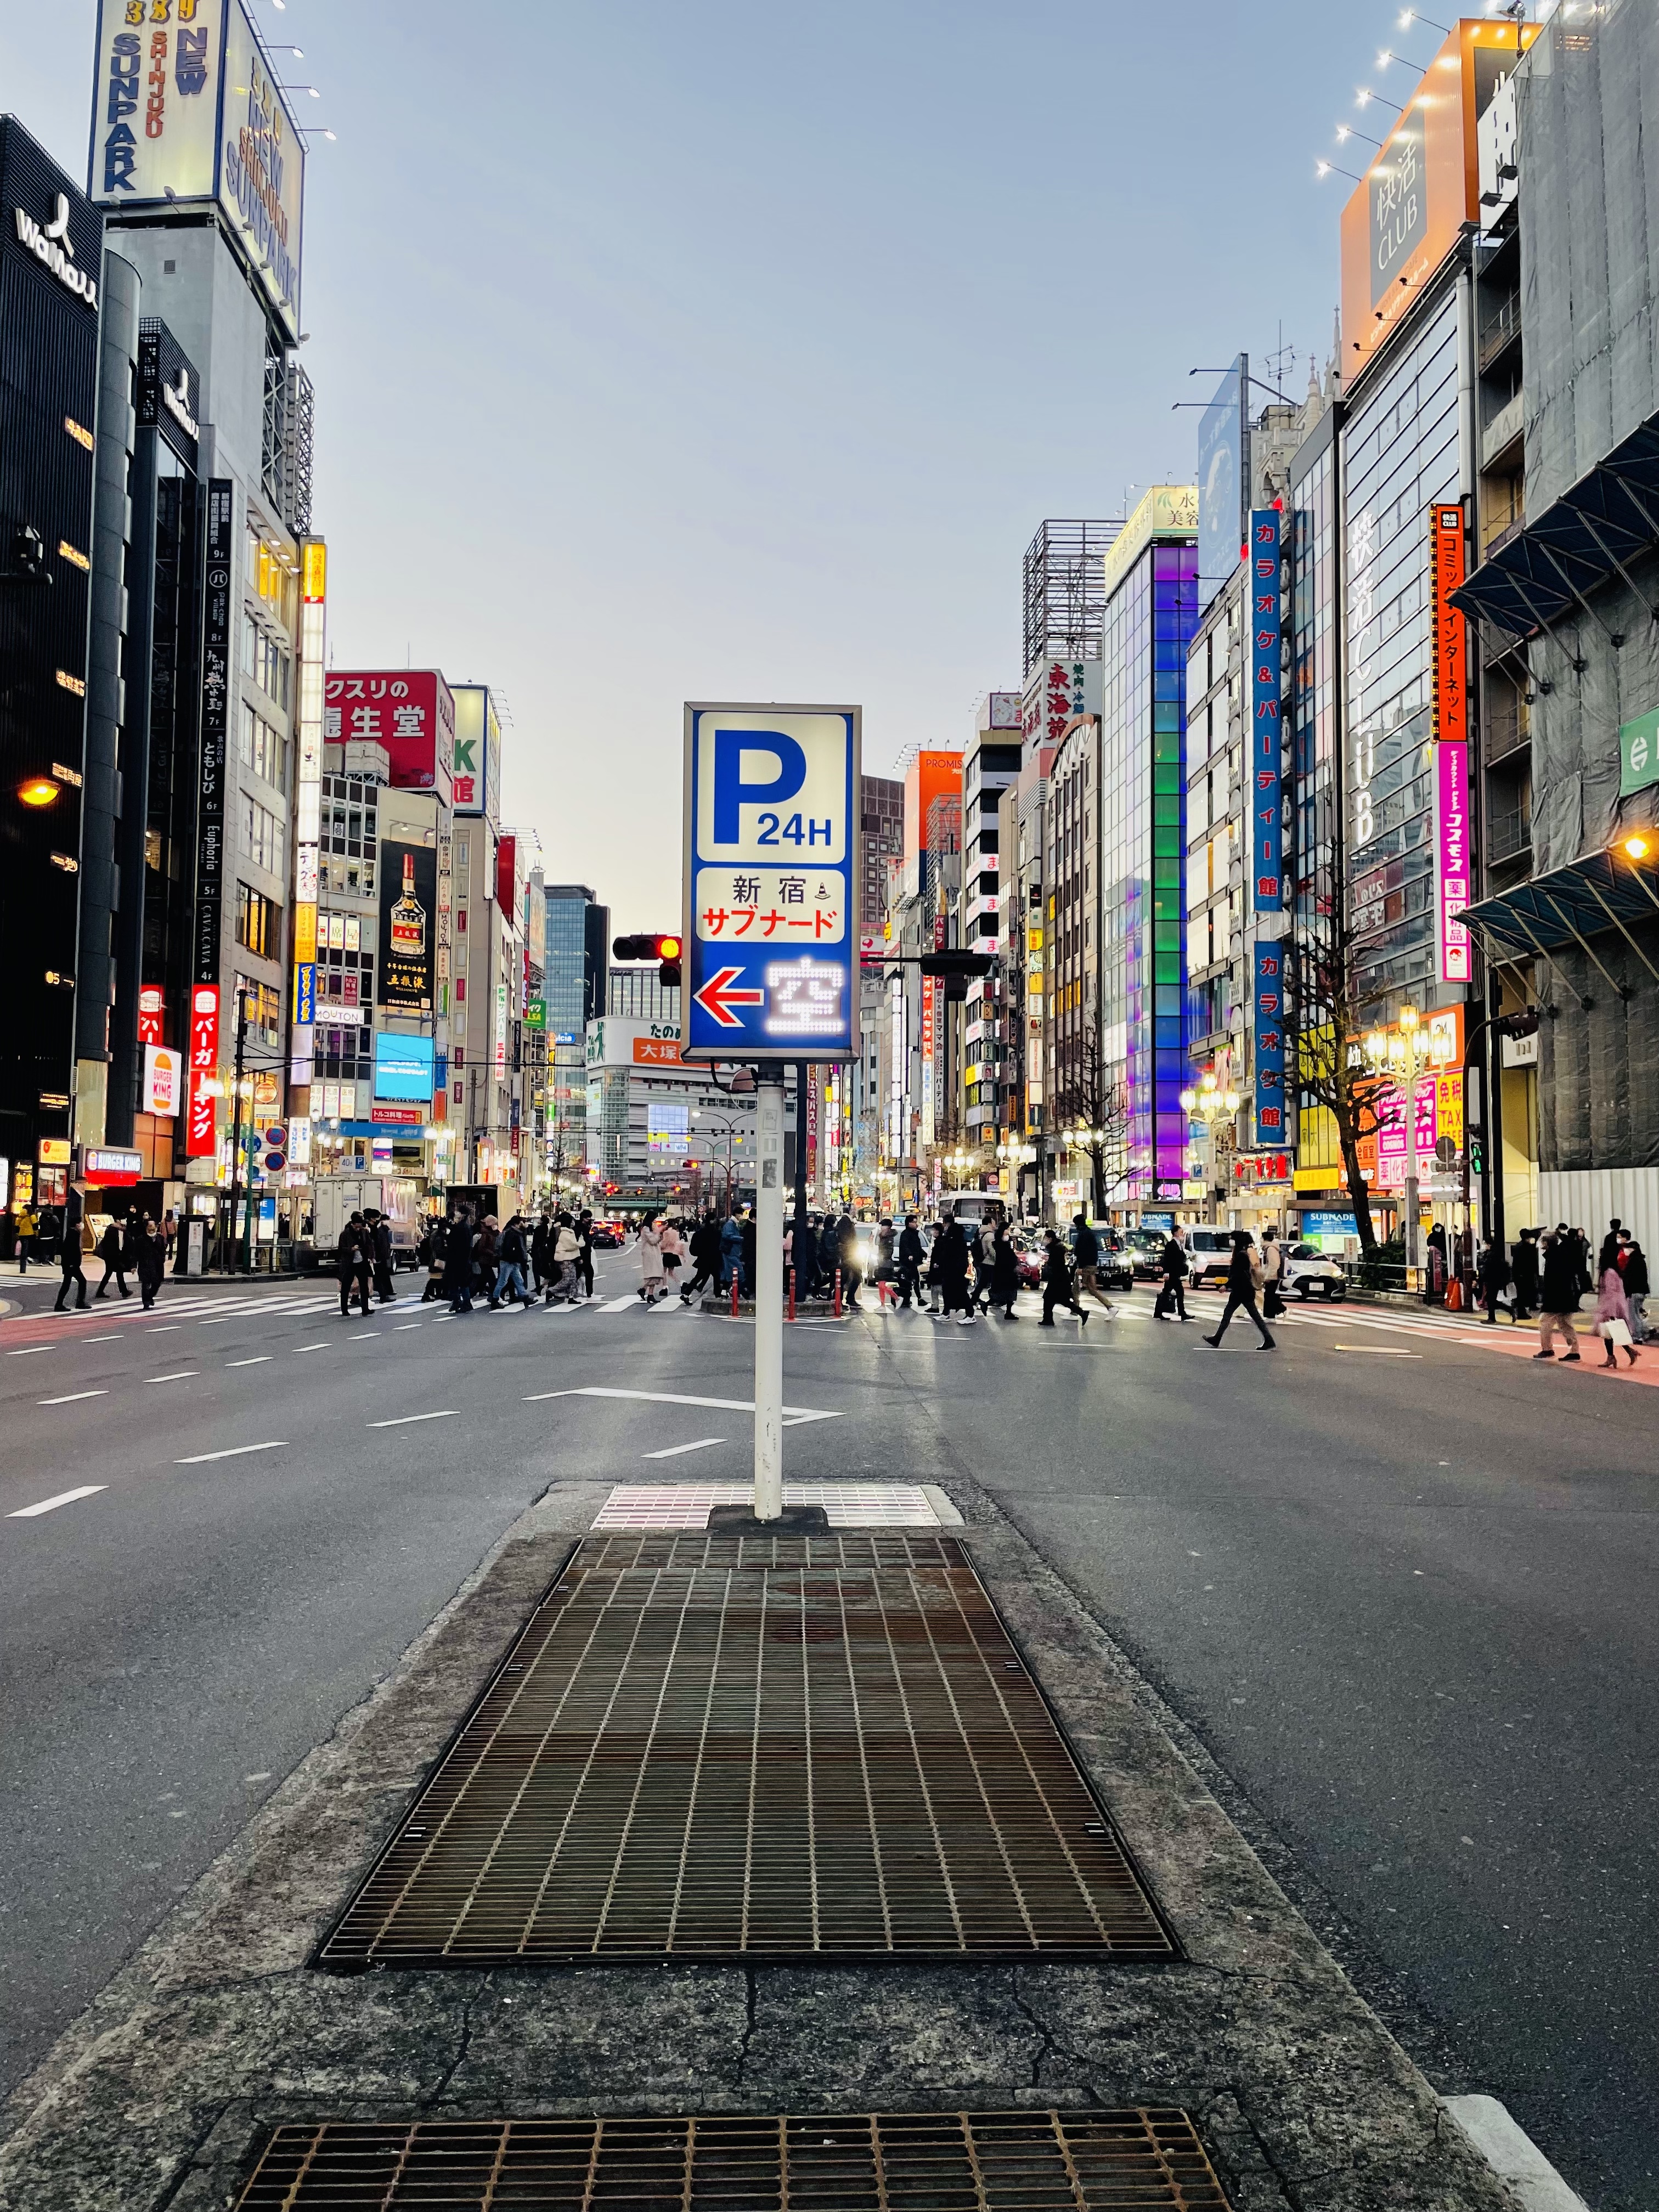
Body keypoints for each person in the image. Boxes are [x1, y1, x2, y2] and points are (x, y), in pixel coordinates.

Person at [1203, 1229, 1276, 1351]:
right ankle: (1217, 1338)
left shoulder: (1242, 1255)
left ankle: (1269, 1340)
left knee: (1247, 1315)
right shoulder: (1241, 1253)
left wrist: (1226, 1285)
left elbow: (1238, 1274)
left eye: (1232, 1238)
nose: (1230, 1241)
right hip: (1243, 1289)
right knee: (1234, 1314)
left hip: (1242, 1290)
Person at [1534, 1228, 1583, 1361]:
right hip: (1565, 1297)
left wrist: (1547, 1297)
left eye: (1542, 1241)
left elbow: (1553, 1280)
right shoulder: (1561, 1254)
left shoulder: (1553, 1257)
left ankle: (1547, 1349)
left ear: (1547, 1243)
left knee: (1545, 1322)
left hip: (1555, 1298)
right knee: (1565, 1324)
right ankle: (1574, 1352)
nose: (1540, 1244)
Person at [1593, 1246, 1640, 1368]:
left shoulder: (1609, 1272)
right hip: (1613, 1306)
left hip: (1611, 1307)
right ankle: (1621, 1354)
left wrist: (1609, 1312)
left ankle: (1614, 1357)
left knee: (1610, 1333)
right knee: (1611, 1333)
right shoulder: (1613, 1271)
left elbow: (1611, 1293)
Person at [1070, 1211, 1116, 1318]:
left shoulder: (1085, 1234)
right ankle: (1110, 1307)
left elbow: (1084, 1252)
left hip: (1086, 1266)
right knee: (1091, 1289)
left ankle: (1075, 1312)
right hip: (1091, 1265)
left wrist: (1080, 1267)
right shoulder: (1088, 1233)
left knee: (1077, 1289)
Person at [1039, 1228, 1086, 1328]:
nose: (1044, 1240)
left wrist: (1048, 1265)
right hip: (1060, 1277)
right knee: (1060, 1299)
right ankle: (1081, 1313)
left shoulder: (1056, 1248)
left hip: (1058, 1278)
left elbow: (1056, 1264)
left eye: (1046, 1238)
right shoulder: (1057, 1247)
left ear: (1050, 1238)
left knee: (1049, 1298)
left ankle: (1048, 1319)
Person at [54, 1181, 89, 1312]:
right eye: (80, 1223)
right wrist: (71, 1263)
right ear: (77, 1224)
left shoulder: (72, 1233)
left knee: (67, 1284)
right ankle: (79, 1302)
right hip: (71, 1264)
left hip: (70, 1264)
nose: (82, 1225)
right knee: (81, 1281)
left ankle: (60, 1304)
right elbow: (70, 1250)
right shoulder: (73, 1234)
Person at [492, 1214, 534, 1308]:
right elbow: (509, 1249)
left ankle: (525, 1298)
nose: (523, 1224)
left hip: (512, 1262)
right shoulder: (512, 1234)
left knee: (519, 1280)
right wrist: (517, 1258)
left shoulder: (515, 1232)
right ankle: (494, 1300)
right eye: (521, 1223)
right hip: (508, 1262)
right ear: (516, 1224)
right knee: (502, 1281)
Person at [337, 1211, 373, 1319]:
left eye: (360, 1226)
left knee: (364, 1286)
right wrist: (351, 1249)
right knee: (346, 1286)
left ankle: (365, 1309)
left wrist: (371, 1257)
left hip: (362, 1262)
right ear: (353, 1223)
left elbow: (369, 1244)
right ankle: (344, 1310)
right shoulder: (345, 1234)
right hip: (349, 1263)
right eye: (357, 1226)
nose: (359, 1228)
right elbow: (340, 1249)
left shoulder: (364, 1232)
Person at [682, 1211, 721, 1304]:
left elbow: (694, 1249)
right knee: (717, 1277)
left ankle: (686, 1294)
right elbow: (720, 1246)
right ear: (712, 1221)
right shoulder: (717, 1233)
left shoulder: (700, 1233)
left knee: (698, 1277)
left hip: (703, 1259)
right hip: (714, 1259)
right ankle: (718, 1295)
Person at [1153, 1226, 1189, 1321]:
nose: (1183, 1234)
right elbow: (1168, 1260)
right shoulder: (1171, 1244)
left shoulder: (1179, 1244)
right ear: (1176, 1233)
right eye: (1181, 1232)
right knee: (1179, 1292)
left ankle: (1158, 1312)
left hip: (1176, 1273)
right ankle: (1182, 1313)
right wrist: (1166, 1272)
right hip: (1172, 1273)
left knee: (1166, 1292)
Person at [988, 1217, 1020, 1320]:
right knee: (1007, 1293)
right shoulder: (999, 1244)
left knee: (1004, 1293)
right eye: (1007, 1230)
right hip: (1006, 1272)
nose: (1008, 1232)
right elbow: (1006, 1257)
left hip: (1004, 1271)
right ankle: (1008, 1313)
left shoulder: (1004, 1243)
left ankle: (1008, 1312)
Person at [93, 1212, 131, 1299]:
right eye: (123, 1219)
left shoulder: (123, 1230)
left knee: (113, 1273)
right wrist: (115, 1254)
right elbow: (109, 1245)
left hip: (118, 1255)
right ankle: (124, 1292)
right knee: (115, 1273)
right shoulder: (111, 1230)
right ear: (118, 1220)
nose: (124, 1221)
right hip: (111, 1256)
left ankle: (101, 1291)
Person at [1620, 1233, 1649, 1344]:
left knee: (1634, 1315)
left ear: (1632, 1249)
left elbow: (1630, 1278)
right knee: (1637, 1314)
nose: (1626, 1251)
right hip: (1641, 1291)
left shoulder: (1633, 1261)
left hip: (1634, 1291)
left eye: (1627, 1249)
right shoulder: (1641, 1260)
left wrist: (1627, 1291)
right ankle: (1642, 1334)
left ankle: (1638, 1336)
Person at [134, 1214, 166, 1311]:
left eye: (153, 1226)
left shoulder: (160, 1238)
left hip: (158, 1265)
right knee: (146, 1284)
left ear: (156, 1227)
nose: (151, 1229)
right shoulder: (141, 1240)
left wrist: (163, 1258)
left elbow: (162, 1250)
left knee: (157, 1283)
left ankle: (150, 1297)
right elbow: (136, 1253)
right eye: (149, 1227)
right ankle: (146, 1303)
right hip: (145, 1265)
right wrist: (133, 1265)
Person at [1477, 1235, 1512, 1325]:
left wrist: (1483, 1278)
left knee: (1490, 1299)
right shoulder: (1493, 1253)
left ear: (1487, 1244)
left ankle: (1496, 1316)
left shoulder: (1491, 1255)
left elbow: (1489, 1269)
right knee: (1490, 1299)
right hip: (1494, 1280)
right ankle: (1494, 1316)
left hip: (1492, 1280)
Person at [448, 1207, 476, 1313]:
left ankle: (462, 1302)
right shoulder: (466, 1227)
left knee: (457, 1282)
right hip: (464, 1259)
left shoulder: (460, 1228)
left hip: (457, 1259)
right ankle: (461, 1302)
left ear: (463, 1215)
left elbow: (453, 1244)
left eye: (458, 1212)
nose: (456, 1213)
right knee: (462, 1282)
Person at [550, 1211, 582, 1304]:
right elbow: (572, 1245)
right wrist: (581, 1242)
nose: (574, 1223)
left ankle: (571, 1297)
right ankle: (551, 1291)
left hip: (570, 1258)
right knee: (567, 1279)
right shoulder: (563, 1232)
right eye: (572, 1221)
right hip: (564, 1258)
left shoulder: (569, 1231)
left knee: (572, 1278)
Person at [896, 1214, 926, 1310]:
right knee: (911, 1280)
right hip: (907, 1262)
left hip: (913, 1261)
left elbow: (917, 1247)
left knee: (915, 1280)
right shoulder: (906, 1234)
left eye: (916, 1222)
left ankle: (918, 1299)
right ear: (908, 1223)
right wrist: (909, 1255)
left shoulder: (915, 1233)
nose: (915, 1224)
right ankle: (914, 1299)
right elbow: (905, 1246)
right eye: (913, 1222)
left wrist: (924, 1254)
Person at [1510, 1227, 1539, 1322]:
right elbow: (1528, 1262)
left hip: (1521, 1275)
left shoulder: (1521, 1246)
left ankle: (1521, 1311)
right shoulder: (1524, 1247)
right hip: (1523, 1275)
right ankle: (1521, 1313)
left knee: (1522, 1294)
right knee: (1522, 1294)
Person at [368, 1209, 397, 1302]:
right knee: (376, 1276)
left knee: (378, 1276)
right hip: (374, 1256)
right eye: (377, 1218)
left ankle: (383, 1296)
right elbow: (375, 1244)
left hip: (377, 1256)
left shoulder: (377, 1229)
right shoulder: (371, 1229)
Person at [637, 1213, 667, 1303]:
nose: (654, 1221)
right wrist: (658, 1232)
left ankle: (650, 1294)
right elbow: (652, 1240)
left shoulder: (651, 1228)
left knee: (656, 1274)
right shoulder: (646, 1229)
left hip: (654, 1252)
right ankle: (644, 1290)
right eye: (654, 1219)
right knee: (652, 1273)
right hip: (649, 1253)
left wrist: (659, 1233)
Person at [835, 1211, 862, 1308]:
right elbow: (845, 1239)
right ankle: (843, 1299)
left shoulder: (847, 1222)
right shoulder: (845, 1222)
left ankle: (845, 1299)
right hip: (848, 1255)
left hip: (850, 1255)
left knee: (849, 1277)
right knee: (846, 1277)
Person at [1260, 1225, 1286, 1320]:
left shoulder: (1271, 1249)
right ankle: (1279, 1311)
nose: (1260, 1240)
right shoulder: (1269, 1249)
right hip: (1272, 1276)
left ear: (1265, 1239)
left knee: (1269, 1296)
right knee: (1271, 1295)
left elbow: (1274, 1265)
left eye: (1261, 1238)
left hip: (1273, 1277)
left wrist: (1269, 1277)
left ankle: (1271, 1316)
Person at [420, 1215, 449, 1303]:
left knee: (437, 1278)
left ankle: (434, 1294)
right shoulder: (439, 1236)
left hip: (436, 1260)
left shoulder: (436, 1234)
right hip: (438, 1261)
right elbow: (438, 1249)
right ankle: (426, 1295)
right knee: (435, 1279)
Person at [720, 1210, 744, 1292]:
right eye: (741, 1214)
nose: (742, 1216)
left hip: (732, 1250)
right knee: (738, 1271)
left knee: (732, 1271)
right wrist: (741, 1239)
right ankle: (733, 1290)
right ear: (737, 1214)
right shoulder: (731, 1224)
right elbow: (728, 1235)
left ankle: (728, 1290)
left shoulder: (733, 1223)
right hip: (731, 1251)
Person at [531, 1211, 552, 1295]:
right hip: (543, 1250)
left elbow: (535, 1241)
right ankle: (543, 1284)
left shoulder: (538, 1229)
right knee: (544, 1268)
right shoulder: (546, 1229)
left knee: (536, 1269)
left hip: (537, 1250)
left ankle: (538, 1286)